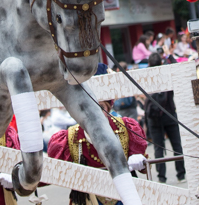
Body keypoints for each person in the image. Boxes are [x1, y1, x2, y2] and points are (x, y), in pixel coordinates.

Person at [47, 100, 147, 205]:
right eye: (88, 107)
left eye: (100, 107)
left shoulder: (125, 127)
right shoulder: (69, 138)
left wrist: (139, 161)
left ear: (108, 108)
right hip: (89, 199)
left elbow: (144, 167)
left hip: (124, 195)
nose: (94, 113)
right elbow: (58, 173)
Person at [143, 53, 184, 184]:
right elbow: (177, 69)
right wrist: (169, 56)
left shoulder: (145, 76)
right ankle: (181, 174)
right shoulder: (167, 73)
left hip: (153, 118)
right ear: (161, 63)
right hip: (169, 114)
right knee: (177, 145)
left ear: (149, 64)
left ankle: (161, 177)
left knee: (158, 148)